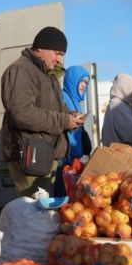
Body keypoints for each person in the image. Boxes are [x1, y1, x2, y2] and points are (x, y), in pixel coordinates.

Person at [1, 26, 85, 196]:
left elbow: (56, 107)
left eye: (62, 55)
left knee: (42, 212)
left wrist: (70, 116)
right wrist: (63, 121)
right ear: (40, 48)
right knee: (34, 213)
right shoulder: (21, 70)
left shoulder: (48, 74)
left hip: (44, 153)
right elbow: (22, 113)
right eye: (57, 53)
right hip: (29, 154)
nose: (60, 60)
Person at [54, 65, 93, 197]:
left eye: (86, 83)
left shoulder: (76, 101)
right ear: (72, 80)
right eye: (81, 81)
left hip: (74, 160)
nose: (83, 85)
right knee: (63, 198)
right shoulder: (63, 97)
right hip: (64, 160)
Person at [101, 73, 132, 150]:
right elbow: (131, 131)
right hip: (119, 154)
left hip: (113, 151)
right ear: (124, 88)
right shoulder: (118, 106)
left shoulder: (114, 104)